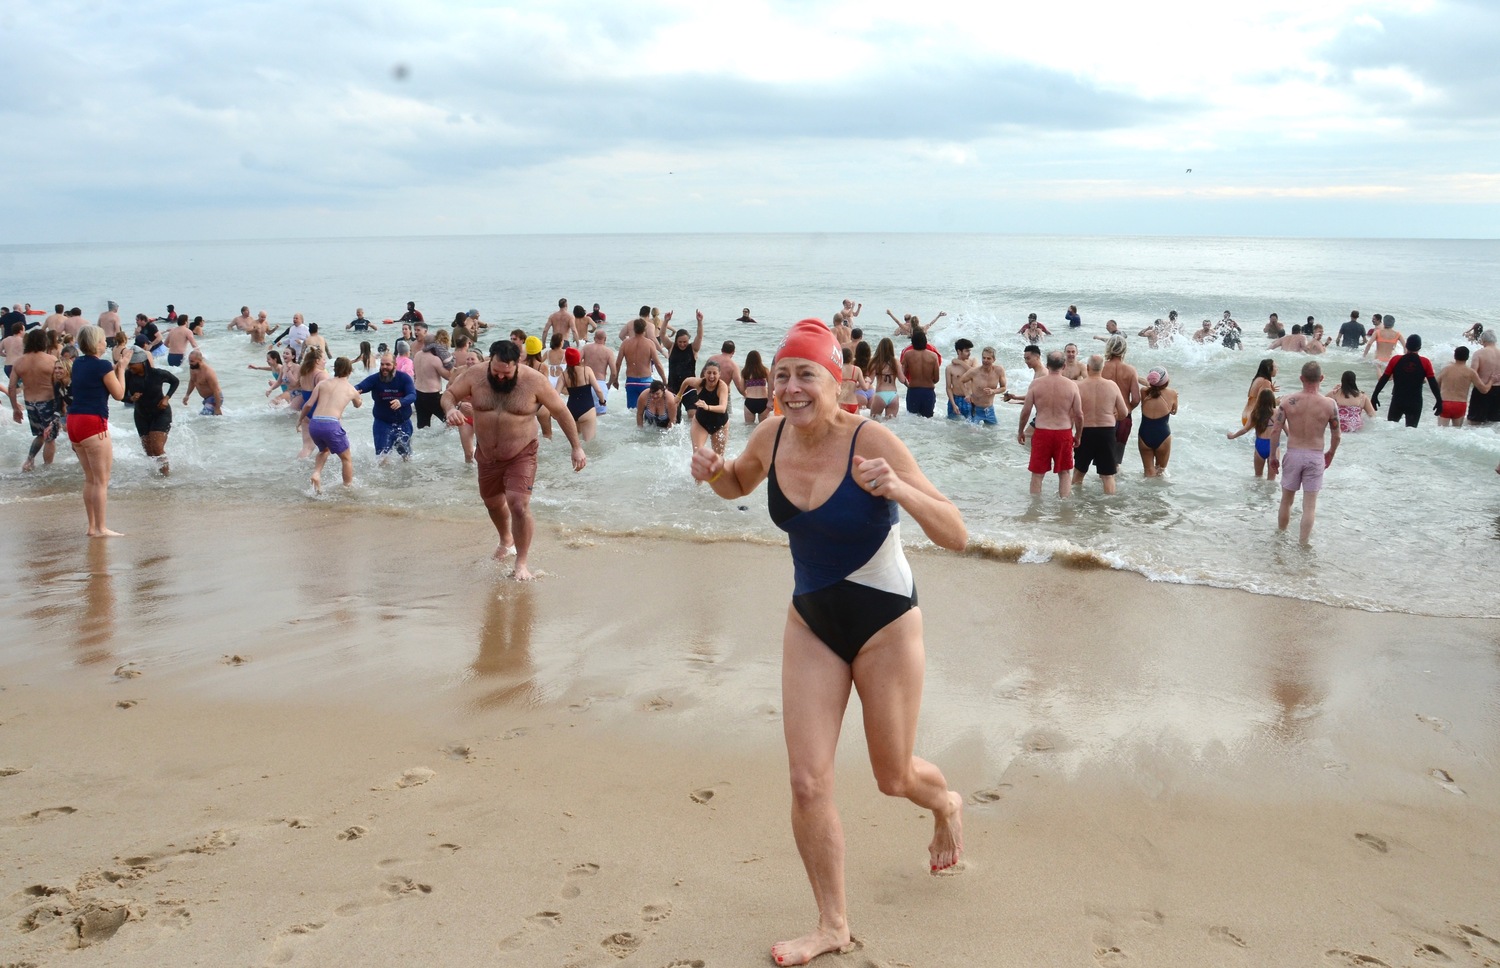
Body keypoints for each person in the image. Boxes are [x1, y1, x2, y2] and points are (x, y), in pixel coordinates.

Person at [687, 318, 965, 967]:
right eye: (781, 375)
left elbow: (956, 532)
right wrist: (713, 473)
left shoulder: (875, 440)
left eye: (805, 373)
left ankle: (946, 803)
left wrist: (895, 489)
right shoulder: (770, 432)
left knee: (893, 777)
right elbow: (739, 483)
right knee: (808, 781)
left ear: (838, 383)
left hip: (886, 623)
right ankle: (832, 924)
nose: (790, 387)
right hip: (811, 619)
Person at [441, 339, 587, 579]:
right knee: (492, 503)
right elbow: (448, 394)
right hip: (487, 454)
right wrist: (450, 409)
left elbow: (561, 411)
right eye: (496, 372)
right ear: (490, 361)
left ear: (517, 364)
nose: (500, 378)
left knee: (518, 504)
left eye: (506, 374)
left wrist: (577, 447)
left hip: (522, 452)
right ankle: (505, 538)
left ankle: (521, 562)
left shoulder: (534, 381)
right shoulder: (475, 375)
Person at [1266, 361, 1340, 544]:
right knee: (1309, 506)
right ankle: (1303, 544)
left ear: (1301, 378)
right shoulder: (1329, 404)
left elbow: (1275, 430)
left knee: (1286, 501)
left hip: (1293, 454)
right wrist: (1330, 452)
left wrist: (1272, 456)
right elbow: (1337, 435)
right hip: (1315, 456)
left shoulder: (1287, 402)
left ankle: (1280, 538)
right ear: (1321, 378)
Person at [67, 326, 127, 536]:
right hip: (93, 422)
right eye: (102, 340)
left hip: (73, 421)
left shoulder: (77, 363)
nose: (105, 343)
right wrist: (121, 369)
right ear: (96, 343)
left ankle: (92, 526)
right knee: (101, 481)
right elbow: (119, 394)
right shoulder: (102, 365)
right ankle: (101, 528)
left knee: (90, 478)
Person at [1017, 350, 1083, 497]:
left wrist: (1020, 431)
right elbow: (1079, 415)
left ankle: (1034, 511)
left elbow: (1026, 411)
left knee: (1037, 474)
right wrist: (1078, 435)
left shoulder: (1036, 384)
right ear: (1064, 366)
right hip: (1063, 433)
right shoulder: (1072, 386)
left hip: (1042, 432)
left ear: (1047, 365)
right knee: (1064, 473)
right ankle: (1064, 509)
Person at [298, 356, 364, 493]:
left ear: (335, 369)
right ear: (350, 371)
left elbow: (308, 404)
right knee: (346, 459)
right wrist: (357, 397)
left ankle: (316, 473)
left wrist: (299, 420)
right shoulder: (351, 389)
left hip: (315, 424)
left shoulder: (322, 384)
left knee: (324, 450)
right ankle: (348, 488)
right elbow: (358, 405)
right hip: (331, 424)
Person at [1071, 354, 1127, 493]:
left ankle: (1074, 506)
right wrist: (1113, 416)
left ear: (1088, 367)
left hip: (1085, 431)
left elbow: (1072, 413)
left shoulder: (1078, 386)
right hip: (1106, 432)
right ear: (1102, 368)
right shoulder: (1111, 385)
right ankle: (1108, 510)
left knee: (1079, 472)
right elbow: (1124, 412)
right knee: (1108, 476)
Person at [8, 329, 61, 471]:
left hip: (30, 403)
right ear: (44, 342)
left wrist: (15, 408)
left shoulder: (19, 362)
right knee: (50, 438)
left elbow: (12, 387)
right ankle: (47, 469)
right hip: (48, 402)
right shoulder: (51, 360)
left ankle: (29, 460)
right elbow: (59, 384)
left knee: (40, 434)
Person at [123, 347, 179, 475]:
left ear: (142, 362)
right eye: (128, 364)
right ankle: (154, 479)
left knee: (157, 448)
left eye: (132, 364)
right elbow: (120, 395)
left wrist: (166, 398)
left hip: (161, 413)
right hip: (141, 415)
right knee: (149, 451)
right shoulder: (128, 375)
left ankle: (166, 478)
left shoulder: (157, 374)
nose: (130, 367)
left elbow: (175, 381)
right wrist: (130, 398)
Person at [355, 352, 417, 461]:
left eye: (388, 364)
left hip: (403, 423)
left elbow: (412, 395)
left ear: (395, 365)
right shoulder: (375, 379)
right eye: (382, 364)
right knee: (382, 458)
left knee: (407, 457)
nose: (384, 367)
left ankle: (408, 478)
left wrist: (401, 402)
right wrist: (352, 391)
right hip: (382, 424)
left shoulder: (404, 378)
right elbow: (359, 387)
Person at [1372, 334, 1441, 428]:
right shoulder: (1425, 362)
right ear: (1420, 347)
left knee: (1390, 430)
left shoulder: (1395, 360)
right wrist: (1439, 400)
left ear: (1406, 346)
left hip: (1397, 400)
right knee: (1411, 432)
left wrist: (1375, 395)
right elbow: (1433, 383)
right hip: (1415, 402)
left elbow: (1384, 379)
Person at [1100, 336, 1140, 466]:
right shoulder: (1130, 370)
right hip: (1124, 417)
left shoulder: (1101, 368)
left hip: (1104, 416)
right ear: (1124, 350)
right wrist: (1126, 410)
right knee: (1115, 462)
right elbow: (1136, 399)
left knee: (1102, 460)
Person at [678, 360, 732, 455]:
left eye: (714, 373)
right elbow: (686, 381)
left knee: (718, 458)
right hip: (701, 422)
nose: (711, 376)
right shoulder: (699, 383)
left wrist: (707, 407)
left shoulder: (722, 386)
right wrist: (679, 396)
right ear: (704, 373)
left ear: (719, 374)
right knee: (697, 454)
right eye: (709, 373)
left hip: (720, 424)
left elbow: (723, 408)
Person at [613, 317, 665, 409]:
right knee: (648, 412)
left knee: (633, 412)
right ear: (645, 329)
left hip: (631, 382)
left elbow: (618, 363)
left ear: (634, 329)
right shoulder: (650, 343)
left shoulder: (625, 343)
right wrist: (664, 380)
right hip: (646, 383)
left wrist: (615, 379)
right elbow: (658, 364)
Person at [1227, 388, 1280, 478]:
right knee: (1271, 480)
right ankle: (1269, 493)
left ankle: (1256, 492)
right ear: (1272, 399)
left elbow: (1245, 429)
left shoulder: (1255, 413)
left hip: (1260, 445)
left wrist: (1233, 436)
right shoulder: (1278, 413)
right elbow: (1287, 431)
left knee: (1258, 477)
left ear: (1259, 400)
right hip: (1274, 446)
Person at [1436, 347, 1492, 427]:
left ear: (1454, 356)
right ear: (1467, 357)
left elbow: (1435, 385)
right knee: (1457, 433)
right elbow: (1484, 390)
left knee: (1441, 432)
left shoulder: (1446, 369)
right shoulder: (1470, 372)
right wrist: (1491, 380)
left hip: (1445, 403)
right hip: (1460, 405)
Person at [1137, 367, 1178, 477]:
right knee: (1161, 472)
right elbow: (1174, 411)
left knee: (1148, 472)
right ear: (1166, 380)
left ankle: (1146, 494)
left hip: (1144, 434)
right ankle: (1157, 494)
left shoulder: (1144, 391)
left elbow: (1150, 388)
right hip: (1162, 435)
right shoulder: (1173, 393)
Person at [558, 347, 605, 442]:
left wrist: (556, 411)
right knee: (589, 444)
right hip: (587, 409)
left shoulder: (563, 375)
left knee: (576, 444)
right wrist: (602, 401)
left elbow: (555, 394)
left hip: (571, 410)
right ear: (578, 359)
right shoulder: (586, 370)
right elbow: (598, 390)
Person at [958, 346, 1005, 427]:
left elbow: (1003, 387)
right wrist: (966, 394)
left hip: (989, 410)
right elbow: (961, 381)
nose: (985, 361)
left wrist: (993, 391)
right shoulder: (974, 372)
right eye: (983, 358)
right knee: (973, 435)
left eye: (988, 358)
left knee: (993, 434)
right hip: (975, 409)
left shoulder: (999, 370)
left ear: (994, 359)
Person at [900, 330, 940, 418]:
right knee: (927, 420)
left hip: (913, 390)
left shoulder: (907, 355)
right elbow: (936, 379)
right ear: (925, 341)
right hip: (928, 392)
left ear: (912, 342)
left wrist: (908, 384)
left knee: (912, 420)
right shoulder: (933, 356)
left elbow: (901, 376)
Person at [413, 343, 452, 429]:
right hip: (432, 396)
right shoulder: (435, 359)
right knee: (450, 421)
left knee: (423, 427)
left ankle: (422, 442)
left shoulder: (417, 355)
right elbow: (448, 376)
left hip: (418, 394)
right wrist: (449, 363)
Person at [1325, 370, 1376, 434]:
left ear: (1342, 380)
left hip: (1338, 429)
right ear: (1354, 381)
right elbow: (1372, 415)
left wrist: (1333, 389)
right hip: (1355, 429)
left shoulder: (1333, 394)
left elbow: (1320, 407)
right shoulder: (1363, 397)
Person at [1467, 331, 1500, 425]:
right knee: (1494, 423)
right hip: (1498, 390)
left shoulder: (1479, 354)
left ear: (1483, 340)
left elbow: (1472, 373)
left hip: (1482, 389)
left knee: (1475, 422)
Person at [580, 329, 615, 414]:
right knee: (601, 416)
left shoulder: (586, 348)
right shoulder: (608, 352)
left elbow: (576, 362)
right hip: (600, 385)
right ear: (605, 339)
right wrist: (609, 384)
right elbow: (614, 372)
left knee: (585, 415)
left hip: (585, 383)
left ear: (594, 338)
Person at [867, 338, 902, 419]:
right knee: (891, 424)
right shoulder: (896, 362)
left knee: (874, 422)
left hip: (880, 395)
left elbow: (870, 380)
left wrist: (862, 382)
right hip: (893, 395)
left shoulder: (875, 362)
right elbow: (902, 379)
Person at [181, 351, 224, 415]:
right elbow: (192, 381)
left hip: (215, 398)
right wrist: (187, 395)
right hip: (206, 399)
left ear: (200, 360)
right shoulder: (193, 368)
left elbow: (216, 391)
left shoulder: (208, 373)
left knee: (203, 418)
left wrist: (217, 408)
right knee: (209, 419)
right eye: (189, 361)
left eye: (192, 361)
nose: (190, 363)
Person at [944, 339, 976, 419]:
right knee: (953, 426)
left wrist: (960, 362)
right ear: (959, 351)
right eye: (966, 351)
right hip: (956, 399)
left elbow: (975, 373)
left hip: (970, 399)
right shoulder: (950, 368)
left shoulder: (973, 362)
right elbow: (948, 388)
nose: (969, 353)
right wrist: (953, 404)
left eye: (969, 350)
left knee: (971, 427)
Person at [742, 350, 770, 423]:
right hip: (763, 401)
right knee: (763, 428)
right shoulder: (765, 370)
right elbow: (772, 386)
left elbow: (742, 389)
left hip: (750, 401)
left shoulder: (745, 372)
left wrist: (745, 394)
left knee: (748, 428)